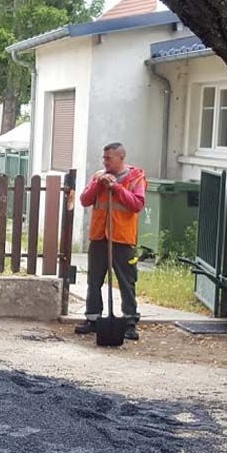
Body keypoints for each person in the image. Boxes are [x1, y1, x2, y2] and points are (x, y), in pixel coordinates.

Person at [75, 142, 148, 341]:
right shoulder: (99, 176)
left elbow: (136, 204)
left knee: (127, 282)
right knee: (94, 280)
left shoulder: (135, 178)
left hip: (122, 238)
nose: (105, 162)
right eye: (104, 158)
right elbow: (85, 200)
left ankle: (130, 321)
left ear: (121, 157)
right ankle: (93, 318)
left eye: (109, 158)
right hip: (100, 237)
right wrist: (99, 184)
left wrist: (115, 188)